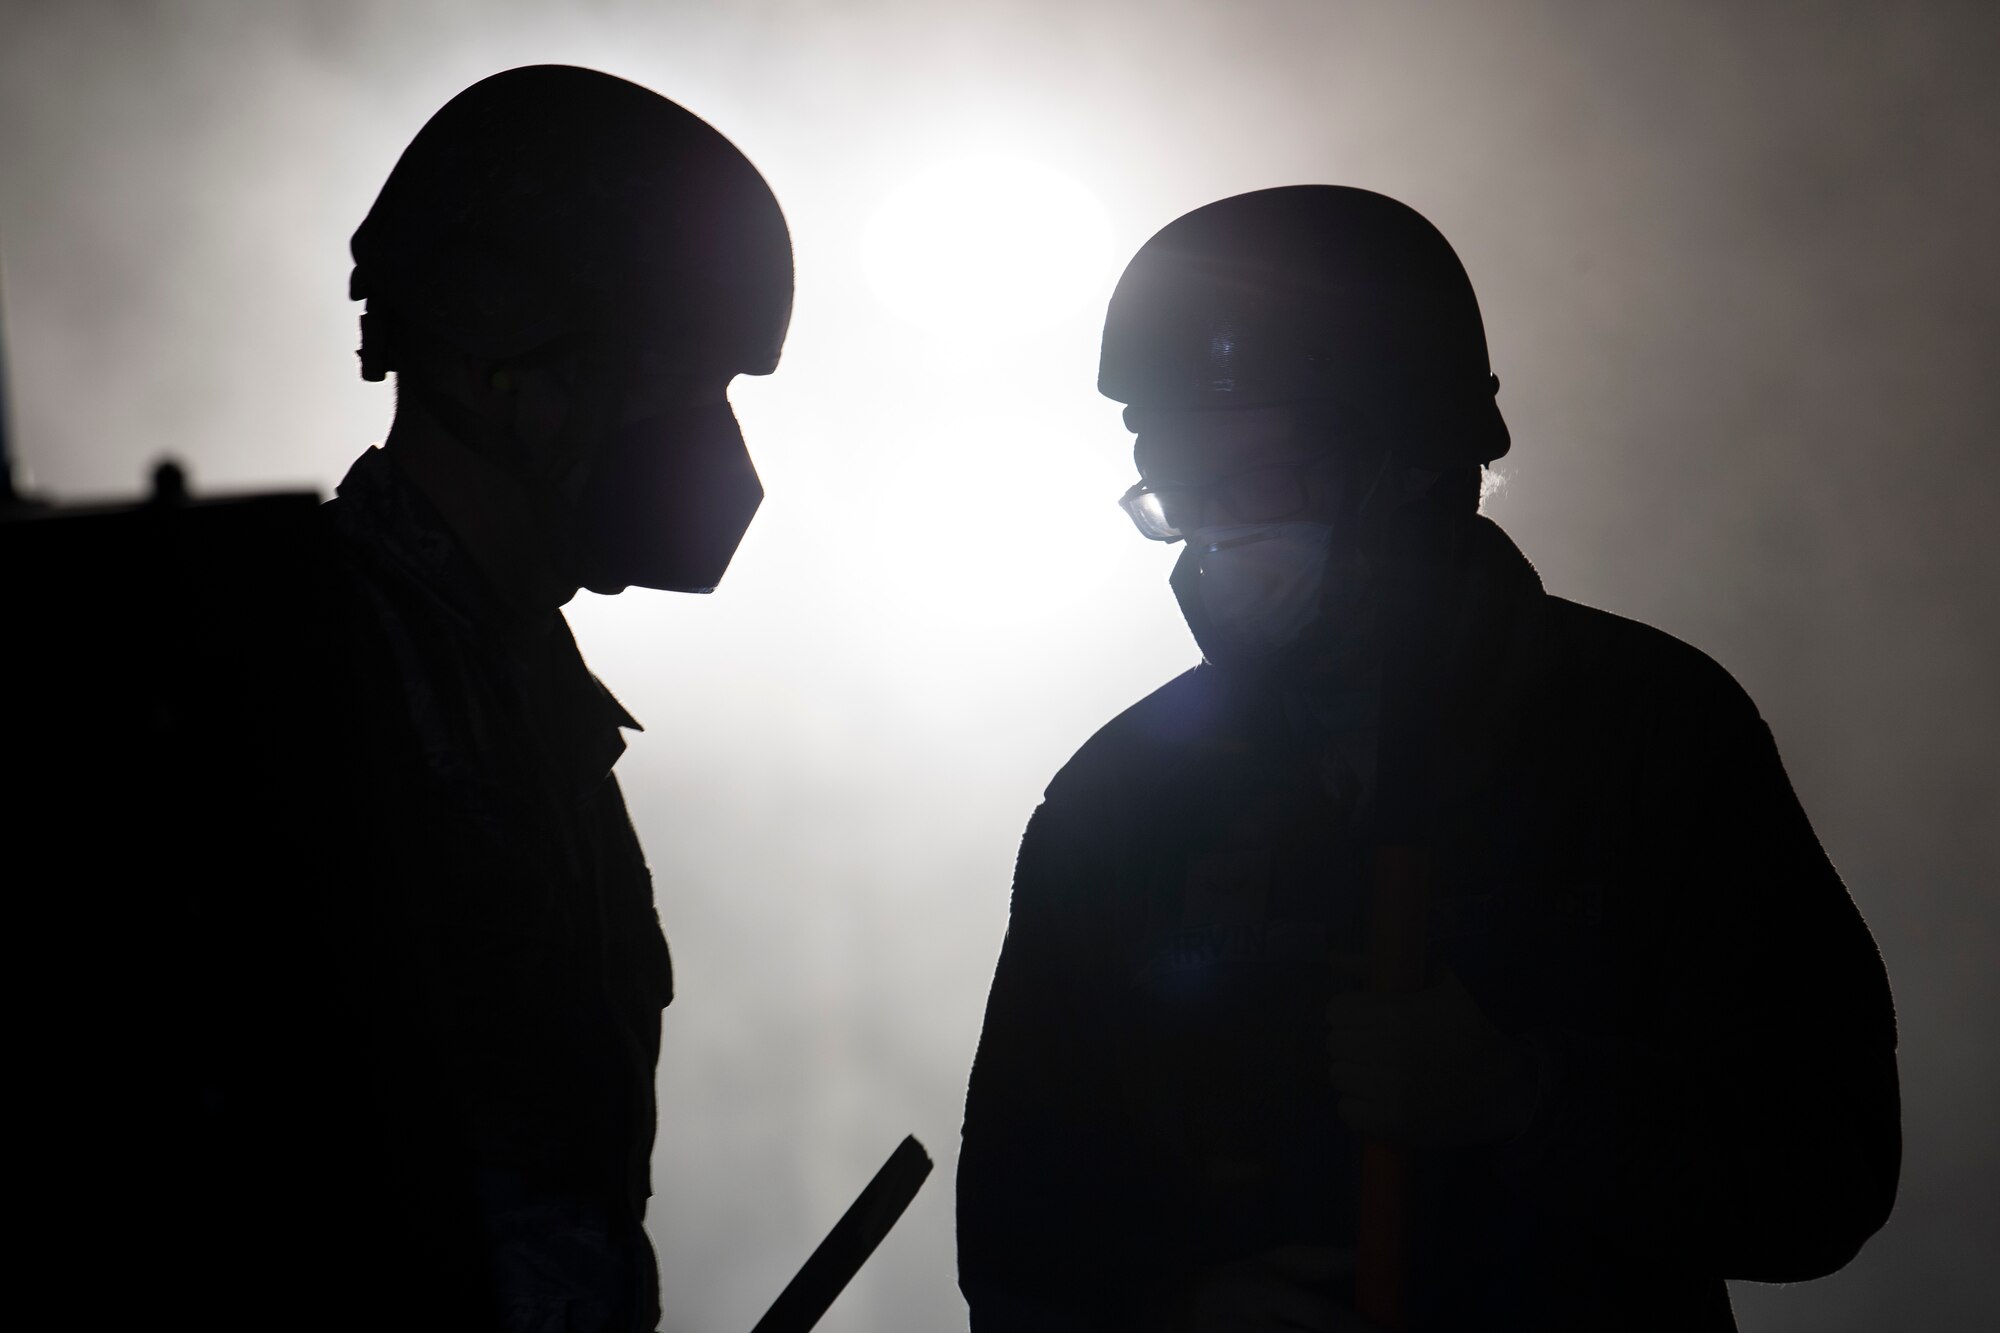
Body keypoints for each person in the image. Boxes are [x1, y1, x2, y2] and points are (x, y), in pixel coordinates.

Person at [956, 186, 1900, 1332]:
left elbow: (1827, 1178)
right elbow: (1020, 1234)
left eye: (1256, 482)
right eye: (1181, 496)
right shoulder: (1121, 798)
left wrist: (1525, 1099)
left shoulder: (1647, 735)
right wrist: (1177, 1313)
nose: (1219, 539)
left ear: (1413, 460)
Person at [5, 65, 790, 1332]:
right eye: (683, 385)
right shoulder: (273, 677)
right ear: (512, 372)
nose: (714, 443)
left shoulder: (531, 710)